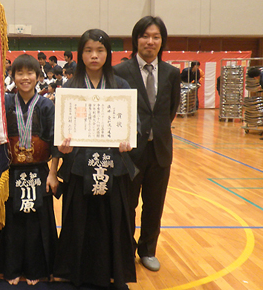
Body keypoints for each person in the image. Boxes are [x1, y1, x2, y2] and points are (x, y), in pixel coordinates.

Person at [50, 29, 136, 289]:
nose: (94, 55)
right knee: (78, 220)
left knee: (112, 220)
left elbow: (132, 124)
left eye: (99, 50)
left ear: (108, 54)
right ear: (80, 53)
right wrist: (61, 152)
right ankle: (75, 271)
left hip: (113, 166)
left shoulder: (120, 86)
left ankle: (113, 271)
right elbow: (59, 131)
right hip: (78, 166)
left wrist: (128, 141)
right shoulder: (70, 88)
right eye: (88, 50)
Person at [113, 16, 181, 272]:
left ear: (162, 41)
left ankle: (148, 250)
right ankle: (126, 249)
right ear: (136, 40)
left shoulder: (172, 73)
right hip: (129, 153)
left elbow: (170, 109)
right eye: (145, 36)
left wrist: (155, 131)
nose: (150, 42)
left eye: (156, 37)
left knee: (154, 205)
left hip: (160, 151)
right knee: (126, 204)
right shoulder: (120, 71)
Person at [0, 54, 58, 286]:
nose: (25, 77)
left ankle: (36, 269)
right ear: (13, 77)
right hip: (10, 172)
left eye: (30, 73)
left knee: (35, 224)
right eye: (19, 73)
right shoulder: (5, 103)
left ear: (38, 76)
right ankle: (9, 269)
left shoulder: (46, 105)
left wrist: (52, 174)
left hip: (39, 171)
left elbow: (55, 142)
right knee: (12, 222)